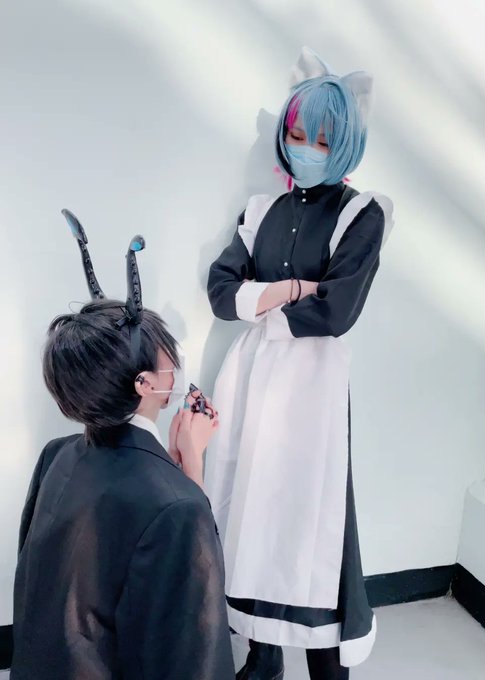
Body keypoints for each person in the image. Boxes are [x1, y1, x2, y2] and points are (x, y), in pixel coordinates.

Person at [206, 47, 394, 680]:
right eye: (298, 134)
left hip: (312, 383)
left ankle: (325, 665)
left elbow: (336, 310)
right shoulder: (261, 211)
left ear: (345, 146)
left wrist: (260, 300)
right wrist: (290, 290)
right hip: (252, 376)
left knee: (311, 516)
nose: (307, 148)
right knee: (250, 504)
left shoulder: (363, 213)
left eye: (323, 139)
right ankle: (262, 658)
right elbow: (220, 292)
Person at [11, 211, 235, 680]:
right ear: (146, 383)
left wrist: (178, 468)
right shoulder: (177, 505)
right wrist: (189, 472)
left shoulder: (57, 455)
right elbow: (192, 651)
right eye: (167, 353)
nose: (175, 361)